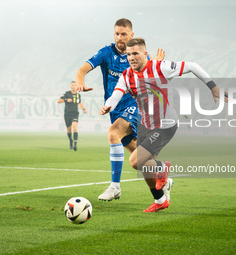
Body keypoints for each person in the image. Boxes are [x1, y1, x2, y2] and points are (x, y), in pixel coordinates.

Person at [100, 38, 227, 212]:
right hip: (146, 125)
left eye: (135, 53)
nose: (131, 57)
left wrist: (212, 86)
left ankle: (162, 167)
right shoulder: (126, 76)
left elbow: (192, 66)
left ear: (145, 54)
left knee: (135, 161)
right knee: (145, 165)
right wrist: (109, 105)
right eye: (129, 54)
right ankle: (160, 201)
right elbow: (116, 95)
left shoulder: (160, 67)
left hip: (165, 125)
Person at [76, 18, 167, 201]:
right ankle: (162, 175)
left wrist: (155, 66)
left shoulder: (139, 55)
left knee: (112, 133)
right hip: (115, 108)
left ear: (131, 35)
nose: (120, 37)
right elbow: (81, 71)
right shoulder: (106, 53)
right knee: (137, 156)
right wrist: (80, 84)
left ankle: (114, 187)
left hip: (135, 106)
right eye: (117, 33)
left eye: (123, 34)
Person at [58, 81, 87, 151]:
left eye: (75, 85)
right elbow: (59, 101)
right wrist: (66, 100)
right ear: (71, 86)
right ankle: (70, 140)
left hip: (75, 113)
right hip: (67, 114)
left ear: (76, 86)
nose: (74, 86)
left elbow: (79, 103)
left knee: (75, 127)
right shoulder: (67, 93)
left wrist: (84, 109)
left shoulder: (78, 95)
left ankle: (75, 145)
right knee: (69, 130)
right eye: (72, 85)